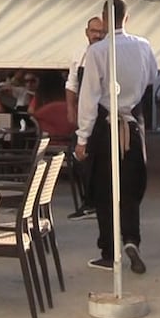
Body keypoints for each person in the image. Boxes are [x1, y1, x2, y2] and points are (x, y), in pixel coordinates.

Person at [74, 0, 158, 274]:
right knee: (130, 188)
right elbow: (151, 79)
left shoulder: (98, 51)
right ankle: (131, 239)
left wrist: (82, 138)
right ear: (127, 17)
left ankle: (110, 251)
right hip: (132, 125)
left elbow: (89, 97)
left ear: (105, 18)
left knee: (103, 190)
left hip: (105, 125)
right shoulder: (144, 46)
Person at [64, 16, 106, 220]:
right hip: (83, 112)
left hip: (103, 112)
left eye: (101, 31)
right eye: (94, 31)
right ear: (86, 32)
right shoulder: (79, 54)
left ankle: (96, 203)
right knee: (79, 157)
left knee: (98, 159)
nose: (97, 35)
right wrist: (71, 108)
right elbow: (72, 83)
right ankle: (88, 201)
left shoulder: (108, 54)